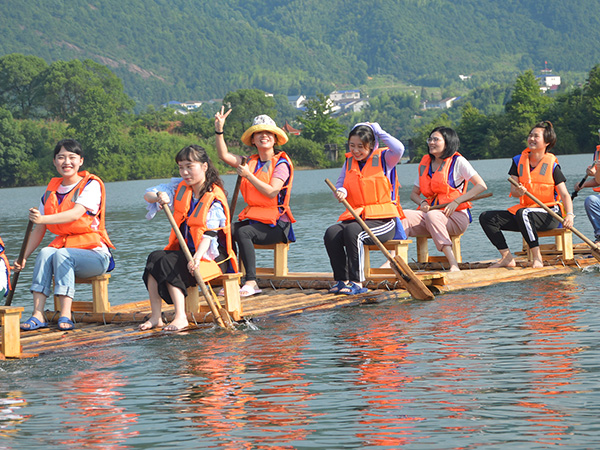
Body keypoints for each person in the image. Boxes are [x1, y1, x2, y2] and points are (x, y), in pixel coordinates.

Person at [16, 139, 115, 331]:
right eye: (61, 157)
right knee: (46, 252)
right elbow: (39, 229)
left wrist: (42, 219)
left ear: (81, 161)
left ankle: (65, 314)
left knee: (62, 254)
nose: (66, 162)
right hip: (65, 254)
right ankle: (38, 314)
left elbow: (76, 213)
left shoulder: (90, 185)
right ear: (54, 161)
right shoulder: (50, 191)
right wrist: (23, 257)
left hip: (95, 255)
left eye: (72, 157)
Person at [140, 145, 238, 331]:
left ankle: (180, 317)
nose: (184, 172)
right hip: (186, 251)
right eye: (180, 167)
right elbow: (148, 195)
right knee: (154, 258)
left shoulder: (214, 196)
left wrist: (197, 257)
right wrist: (160, 196)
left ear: (204, 166)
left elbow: (210, 233)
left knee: (168, 262)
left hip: (211, 255)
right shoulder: (180, 187)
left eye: (189, 166)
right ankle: (156, 317)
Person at [215, 108, 295, 297]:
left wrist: (249, 176)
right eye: (258, 133)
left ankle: (251, 281)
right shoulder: (248, 161)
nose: (263, 136)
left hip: (278, 225)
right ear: (253, 140)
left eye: (268, 133)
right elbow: (224, 155)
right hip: (255, 219)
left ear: (275, 139)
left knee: (244, 232)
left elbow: (271, 191)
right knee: (225, 230)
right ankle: (231, 276)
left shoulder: (281, 164)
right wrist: (219, 130)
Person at [324, 122, 406, 295]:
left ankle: (357, 282)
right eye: (352, 146)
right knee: (331, 233)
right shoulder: (348, 163)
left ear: (371, 145)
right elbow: (341, 184)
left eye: (361, 147)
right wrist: (341, 191)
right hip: (357, 217)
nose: (355, 150)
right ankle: (342, 280)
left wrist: (378, 130)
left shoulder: (385, 159)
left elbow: (399, 148)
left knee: (354, 232)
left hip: (384, 221)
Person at [479, 121, 574, 268]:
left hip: (549, 213)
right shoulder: (518, 161)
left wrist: (569, 215)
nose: (531, 139)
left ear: (547, 142)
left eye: (536, 136)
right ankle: (507, 257)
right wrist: (520, 191)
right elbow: (514, 192)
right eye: (530, 135)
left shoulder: (552, 165)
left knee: (524, 213)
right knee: (487, 217)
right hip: (525, 212)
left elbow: (565, 195)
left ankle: (537, 258)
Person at [402, 127, 487, 272]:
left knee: (433, 215)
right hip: (431, 215)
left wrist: (457, 201)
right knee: (404, 214)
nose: (431, 143)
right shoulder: (426, 163)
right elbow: (414, 194)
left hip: (456, 217)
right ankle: (396, 261)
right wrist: (422, 202)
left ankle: (452, 263)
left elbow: (481, 186)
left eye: (436, 139)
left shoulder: (458, 161)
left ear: (447, 143)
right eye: (430, 139)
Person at [572, 129, 600, 244]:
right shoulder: (597, 153)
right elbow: (598, 180)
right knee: (591, 201)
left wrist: (596, 173)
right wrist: (583, 184)